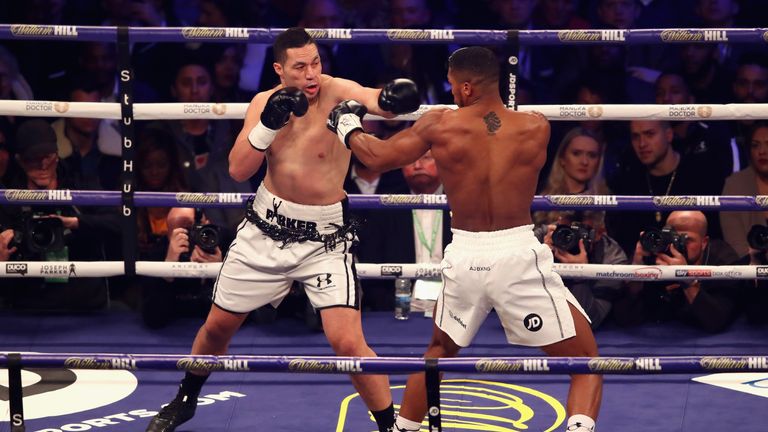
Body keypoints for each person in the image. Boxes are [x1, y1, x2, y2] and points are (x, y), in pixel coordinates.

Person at [145, 27, 420, 432]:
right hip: (266, 228)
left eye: (316, 63)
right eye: (300, 66)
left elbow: (379, 102)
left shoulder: (338, 90)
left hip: (325, 238)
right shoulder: (263, 103)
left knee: (346, 341)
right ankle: (185, 397)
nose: (311, 74)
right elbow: (239, 169)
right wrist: (268, 125)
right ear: (279, 69)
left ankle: (387, 424)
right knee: (218, 326)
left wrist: (395, 99)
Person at [328, 46, 601, 432]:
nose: (451, 94)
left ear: (468, 87)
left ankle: (402, 429)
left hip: (465, 254)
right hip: (516, 252)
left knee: (439, 353)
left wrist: (345, 125)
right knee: (586, 362)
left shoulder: (440, 125)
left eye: (454, 86)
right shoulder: (536, 126)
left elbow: (376, 157)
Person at [613, 211, 740, 333]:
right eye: (672, 238)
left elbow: (716, 321)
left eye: (686, 240)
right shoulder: (655, 251)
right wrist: (637, 270)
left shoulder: (722, 257)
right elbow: (624, 319)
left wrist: (686, 279)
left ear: (704, 242)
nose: (678, 245)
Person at [720, 121, 768, 256]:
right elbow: (735, 243)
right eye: (755, 145)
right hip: (748, 269)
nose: (762, 151)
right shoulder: (735, 184)